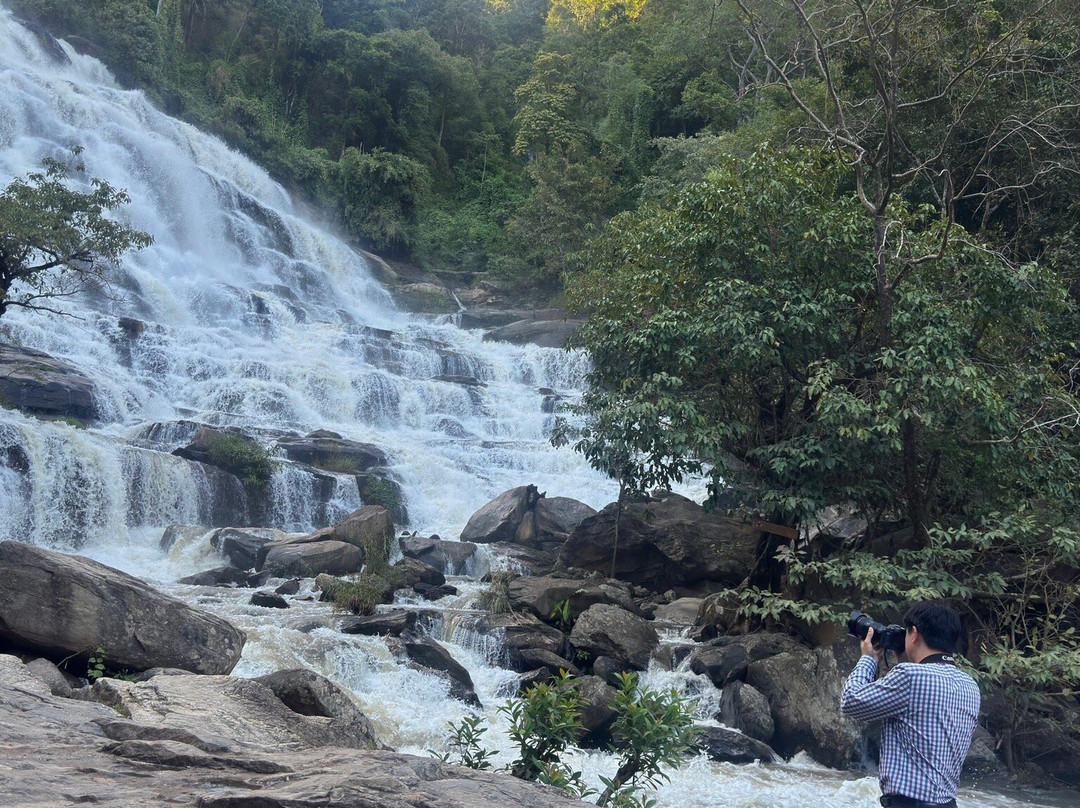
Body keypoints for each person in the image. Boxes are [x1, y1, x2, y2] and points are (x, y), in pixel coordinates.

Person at [840, 601, 981, 808]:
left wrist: (869, 658)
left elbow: (851, 701)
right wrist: (905, 661)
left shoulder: (910, 676)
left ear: (914, 633)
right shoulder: (970, 686)